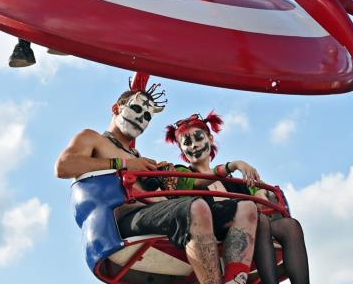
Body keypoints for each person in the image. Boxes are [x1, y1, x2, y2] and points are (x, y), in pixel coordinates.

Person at [54, 86, 257, 284]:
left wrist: (161, 176)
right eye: (137, 109)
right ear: (116, 108)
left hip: (154, 214)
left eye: (148, 117)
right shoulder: (93, 138)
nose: (142, 119)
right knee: (196, 207)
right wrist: (123, 164)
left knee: (245, 208)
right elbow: (63, 166)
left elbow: (189, 183)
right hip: (124, 219)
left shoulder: (140, 158)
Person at [165, 112, 310, 284]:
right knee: (260, 221)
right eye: (187, 143)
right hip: (210, 227)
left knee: (290, 226)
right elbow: (199, 183)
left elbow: (257, 191)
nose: (195, 145)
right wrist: (234, 165)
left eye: (198, 138)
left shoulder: (233, 181)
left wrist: (259, 192)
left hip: (249, 224)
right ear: (181, 149)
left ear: (210, 139)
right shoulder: (183, 173)